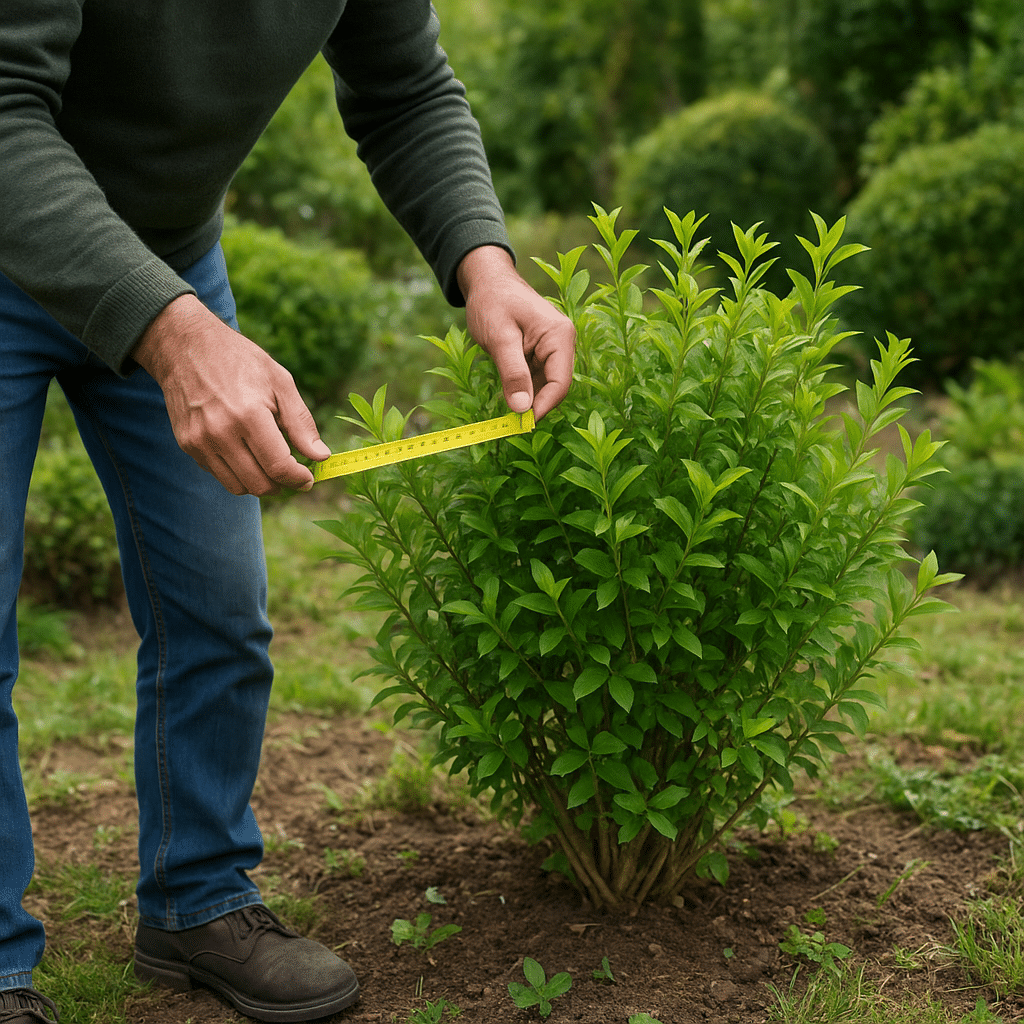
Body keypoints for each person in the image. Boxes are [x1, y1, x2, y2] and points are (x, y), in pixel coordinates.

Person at [0, 1, 576, 1021]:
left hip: (169, 255)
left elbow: (404, 90)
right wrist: (176, 337)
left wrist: (486, 264)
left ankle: (197, 897)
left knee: (218, 607)